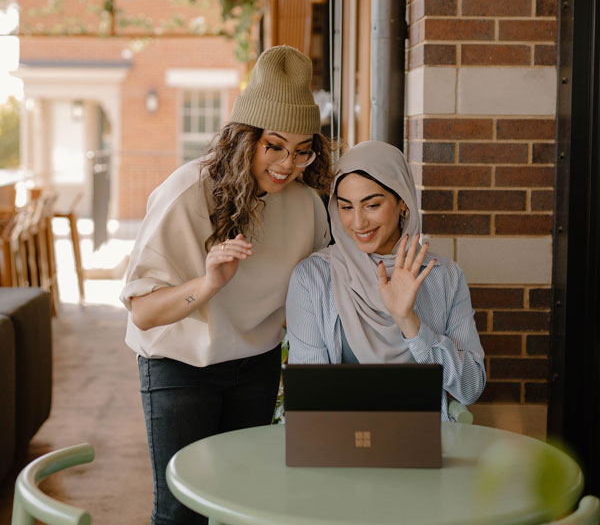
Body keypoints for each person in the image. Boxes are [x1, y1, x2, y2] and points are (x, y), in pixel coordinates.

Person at [120, 45, 333, 525]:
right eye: (273, 146)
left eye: (302, 151)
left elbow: (317, 292)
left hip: (254, 366)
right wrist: (210, 282)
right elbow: (143, 313)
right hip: (180, 364)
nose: (286, 164)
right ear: (245, 139)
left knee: (241, 504)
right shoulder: (186, 193)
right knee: (181, 511)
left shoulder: (305, 205)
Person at [286, 140, 485, 420]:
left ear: (402, 201)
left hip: (421, 446)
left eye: (372, 205)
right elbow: (308, 398)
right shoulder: (313, 278)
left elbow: (471, 388)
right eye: (346, 207)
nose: (357, 223)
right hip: (337, 444)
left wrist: (409, 322)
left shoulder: (444, 276)